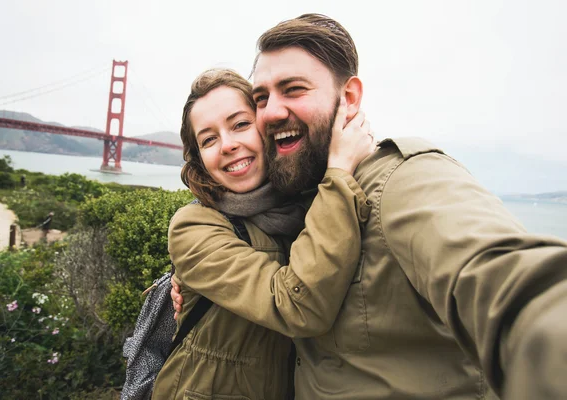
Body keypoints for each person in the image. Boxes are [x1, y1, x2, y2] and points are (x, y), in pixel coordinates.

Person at [172, 13, 567, 400]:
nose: (272, 111)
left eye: (293, 89)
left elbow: (504, 281)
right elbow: (287, 297)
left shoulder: (402, 180)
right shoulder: (292, 200)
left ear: (349, 98)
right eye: (262, 98)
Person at [151, 69, 375, 400]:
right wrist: (339, 173)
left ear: (265, 126)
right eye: (209, 139)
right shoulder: (193, 227)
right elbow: (296, 307)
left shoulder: (309, 202)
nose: (228, 145)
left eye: (240, 124)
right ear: (199, 158)